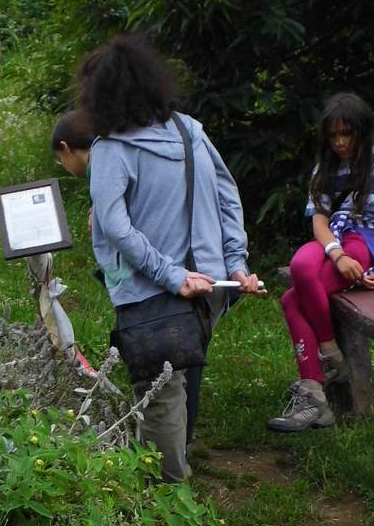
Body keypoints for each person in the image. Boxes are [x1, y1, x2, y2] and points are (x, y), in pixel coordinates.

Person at [78, 34, 261, 482]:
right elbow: (228, 197)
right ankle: (182, 455)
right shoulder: (189, 130)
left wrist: (171, 275)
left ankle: (168, 497)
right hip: (213, 286)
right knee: (181, 369)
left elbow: (116, 226)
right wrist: (235, 263)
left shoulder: (111, 150)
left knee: (160, 391)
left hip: (153, 290)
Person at [268, 92, 374, 432]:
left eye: (346, 134)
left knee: (291, 300)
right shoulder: (324, 170)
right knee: (300, 267)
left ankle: (313, 394)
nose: (339, 142)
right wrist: (335, 253)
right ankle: (329, 352)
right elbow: (319, 221)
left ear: (363, 131)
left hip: (371, 241)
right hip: (335, 239)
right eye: (333, 135)